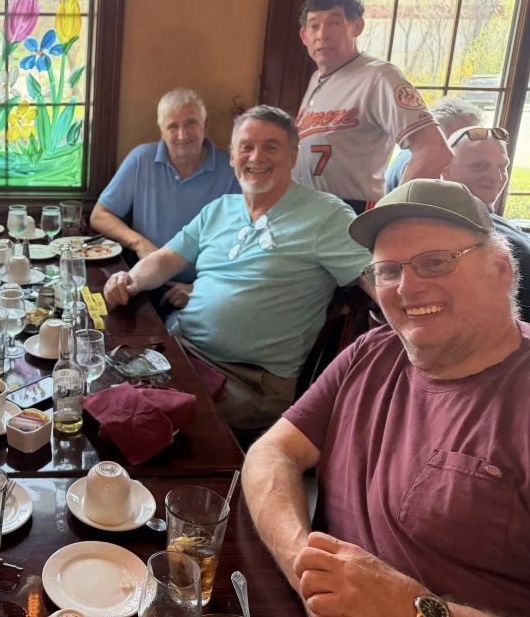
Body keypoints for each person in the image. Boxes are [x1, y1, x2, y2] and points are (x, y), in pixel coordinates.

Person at [242, 179, 530, 617]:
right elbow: (272, 452)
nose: (407, 287)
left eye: (435, 262)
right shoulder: (373, 351)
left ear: (500, 270)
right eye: (389, 271)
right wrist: (305, 568)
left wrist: (410, 607)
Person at [104, 105, 370, 436]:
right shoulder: (220, 209)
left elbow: (375, 278)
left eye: (271, 147)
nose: (256, 157)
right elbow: (165, 260)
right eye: (246, 146)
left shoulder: (326, 215)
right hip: (180, 351)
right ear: (232, 156)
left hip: (248, 383)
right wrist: (130, 280)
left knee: (133, 425)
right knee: (98, 383)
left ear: (292, 156)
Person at [293, 0, 452, 211]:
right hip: (306, 212)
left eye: (334, 23)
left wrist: (393, 214)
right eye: (314, 25)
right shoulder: (317, 79)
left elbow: (434, 150)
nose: (323, 34)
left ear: (357, 27)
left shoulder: (379, 77)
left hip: (350, 213)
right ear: (304, 36)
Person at [89, 88, 240, 308]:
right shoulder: (141, 159)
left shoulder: (232, 169)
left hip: (205, 293)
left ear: (205, 125)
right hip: (143, 285)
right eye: (173, 126)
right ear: (162, 131)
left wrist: (199, 288)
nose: (182, 135)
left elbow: (243, 244)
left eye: (191, 123)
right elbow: (99, 215)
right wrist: (140, 244)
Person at [441, 124, 530, 321]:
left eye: (502, 166)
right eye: (479, 166)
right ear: (446, 169)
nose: (496, 177)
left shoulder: (487, 215)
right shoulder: (453, 228)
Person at [385, 97, 482, 192]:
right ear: (441, 133)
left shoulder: (410, 154)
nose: (474, 143)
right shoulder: (428, 163)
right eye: (465, 134)